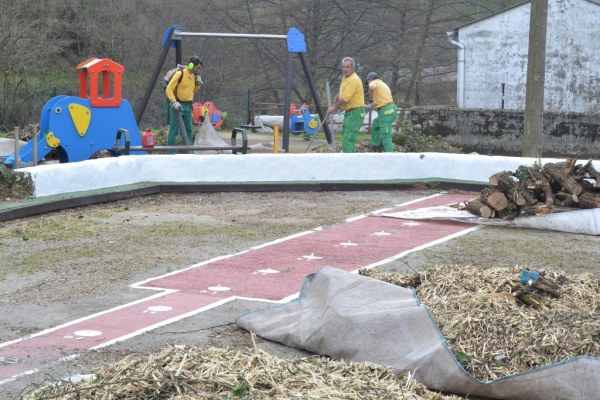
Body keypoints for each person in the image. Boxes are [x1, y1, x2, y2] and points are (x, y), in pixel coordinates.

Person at [327, 57, 365, 153]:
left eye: (347, 67)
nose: (345, 69)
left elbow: (345, 99)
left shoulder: (353, 79)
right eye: (343, 67)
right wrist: (339, 95)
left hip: (355, 112)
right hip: (349, 113)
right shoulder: (345, 78)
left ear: (353, 68)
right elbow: (345, 93)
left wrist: (333, 108)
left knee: (347, 140)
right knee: (347, 138)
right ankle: (351, 161)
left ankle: (349, 165)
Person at [165, 55, 203, 148]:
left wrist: (198, 84)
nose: (199, 70)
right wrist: (174, 102)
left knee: (188, 130)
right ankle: (171, 153)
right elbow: (168, 89)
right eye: (198, 68)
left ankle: (188, 151)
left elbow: (191, 91)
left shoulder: (193, 77)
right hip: (177, 105)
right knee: (174, 130)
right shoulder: (180, 74)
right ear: (191, 65)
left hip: (188, 106)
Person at [365, 72, 398, 152]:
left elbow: (371, 86)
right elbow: (381, 101)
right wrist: (372, 105)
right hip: (390, 108)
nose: (368, 83)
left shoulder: (374, 82)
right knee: (376, 124)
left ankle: (391, 156)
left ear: (370, 79)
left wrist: (370, 101)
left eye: (368, 81)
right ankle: (376, 146)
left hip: (386, 111)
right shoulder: (382, 84)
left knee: (385, 135)